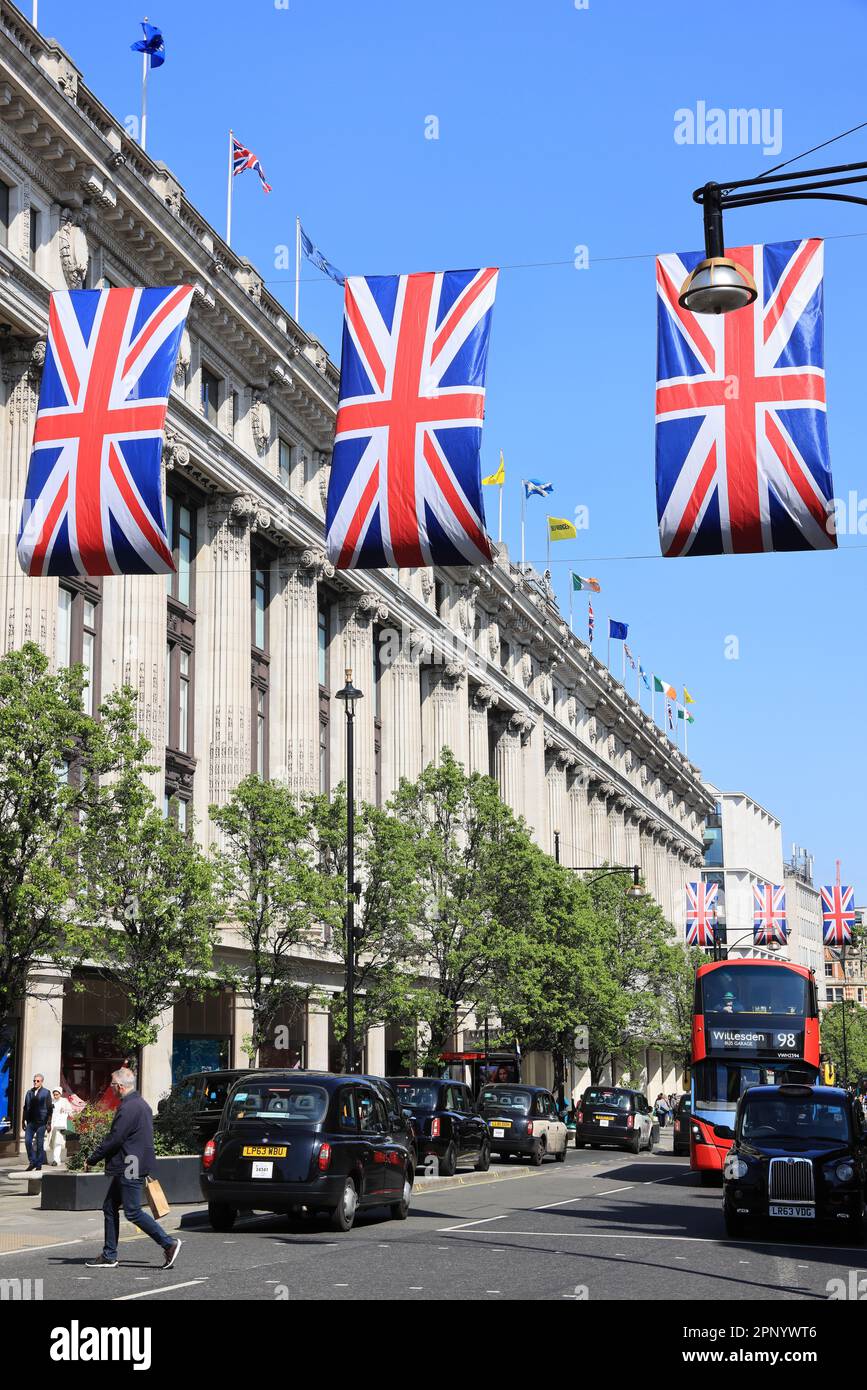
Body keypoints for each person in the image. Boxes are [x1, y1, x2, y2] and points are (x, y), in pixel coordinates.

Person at [83, 1067, 181, 1271]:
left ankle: (168, 1243)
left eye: (111, 1085)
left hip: (130, 1164)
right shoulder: (141, 1104)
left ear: (119, 1086)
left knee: (133, 1211)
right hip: (132, 1163)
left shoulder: (129, 1108)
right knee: (109, 1207)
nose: (111, 1089)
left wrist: (92, 1159)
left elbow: (115, 1138)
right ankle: (109, 1255)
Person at [22, 1073, 53, 1172]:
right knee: (27, 1141)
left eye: (37, 1081)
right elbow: (25, 1107)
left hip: (41, 1122)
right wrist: (23, 1121)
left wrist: (49, 1123)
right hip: (30, 1122)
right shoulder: (29, 1092)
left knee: (40, 1144)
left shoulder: (46, 1092)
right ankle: (32, 1161)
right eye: (34, 1081)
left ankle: (39, 1164)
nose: (35, 1082)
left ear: (41, 1082)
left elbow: (49, 1109)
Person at [46, 1088, 71, 1166]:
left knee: (58, 1142)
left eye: (57, 1094)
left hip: (60, 1125)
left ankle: (56, 1160)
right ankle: (54, 1159)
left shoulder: (64, 1101)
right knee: (53, 1142)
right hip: (52, 1124)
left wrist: (65, 1110)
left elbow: (70, 1112)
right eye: (54, 1094)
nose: (55, 1096)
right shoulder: (52, 1101)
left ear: (60, 1094)